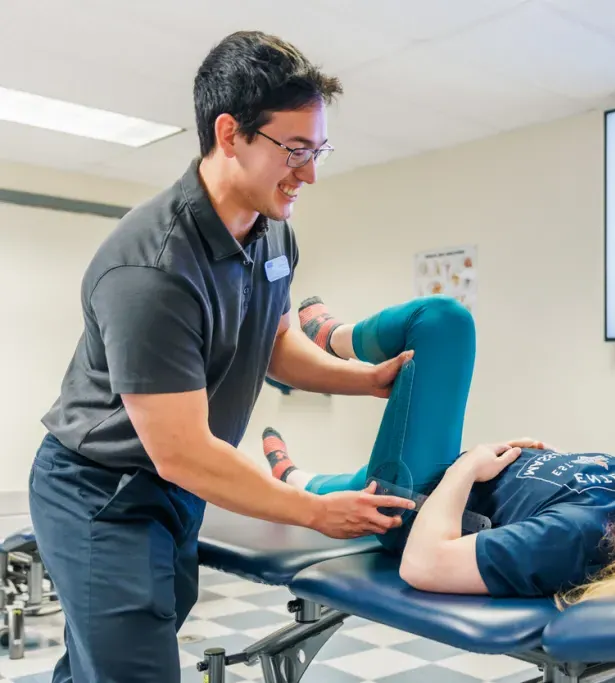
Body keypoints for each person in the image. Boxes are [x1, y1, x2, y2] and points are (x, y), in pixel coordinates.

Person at [27, 31, 416, 682]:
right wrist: (315, 510)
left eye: (318, 150)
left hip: (174, 487)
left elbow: (275, 343)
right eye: (295, 150)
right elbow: (181, 449)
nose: (311, 172)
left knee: (108, 656)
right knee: (134, 668)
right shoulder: (150, 268)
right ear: (231, 132)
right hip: (99, 492)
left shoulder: (273, 231)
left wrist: (367, 380)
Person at [267, 294, 615, 606]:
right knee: (364, 469)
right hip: (434, 476)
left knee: (443, 324)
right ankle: (293, 477)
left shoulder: (578, 538)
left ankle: (333, 338)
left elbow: (424, 563)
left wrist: (468, 468)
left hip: (411, 500)